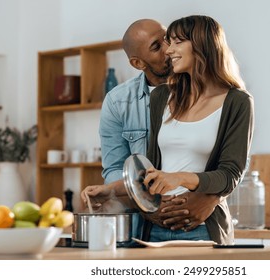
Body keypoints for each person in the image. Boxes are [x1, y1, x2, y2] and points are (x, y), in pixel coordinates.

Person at [81, 19, 220, 239]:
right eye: (157, 47)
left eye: (168, 38)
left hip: (205, 222)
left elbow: (236, 161)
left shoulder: (211, 92)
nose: (169, 49)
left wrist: (209, 199)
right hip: (145, 229)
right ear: (138, 63)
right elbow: (116, 168)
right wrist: (145, 203)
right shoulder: (118, 102)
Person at [143, 15, 254, 244]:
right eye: (168, 42)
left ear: (202, 44)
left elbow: (230, 175)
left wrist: (180, 179)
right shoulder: (160, 97)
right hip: (155, 228)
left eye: (177, 42)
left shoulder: (237, 102)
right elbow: (151, 166)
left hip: (204, 229)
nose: (168, 51)